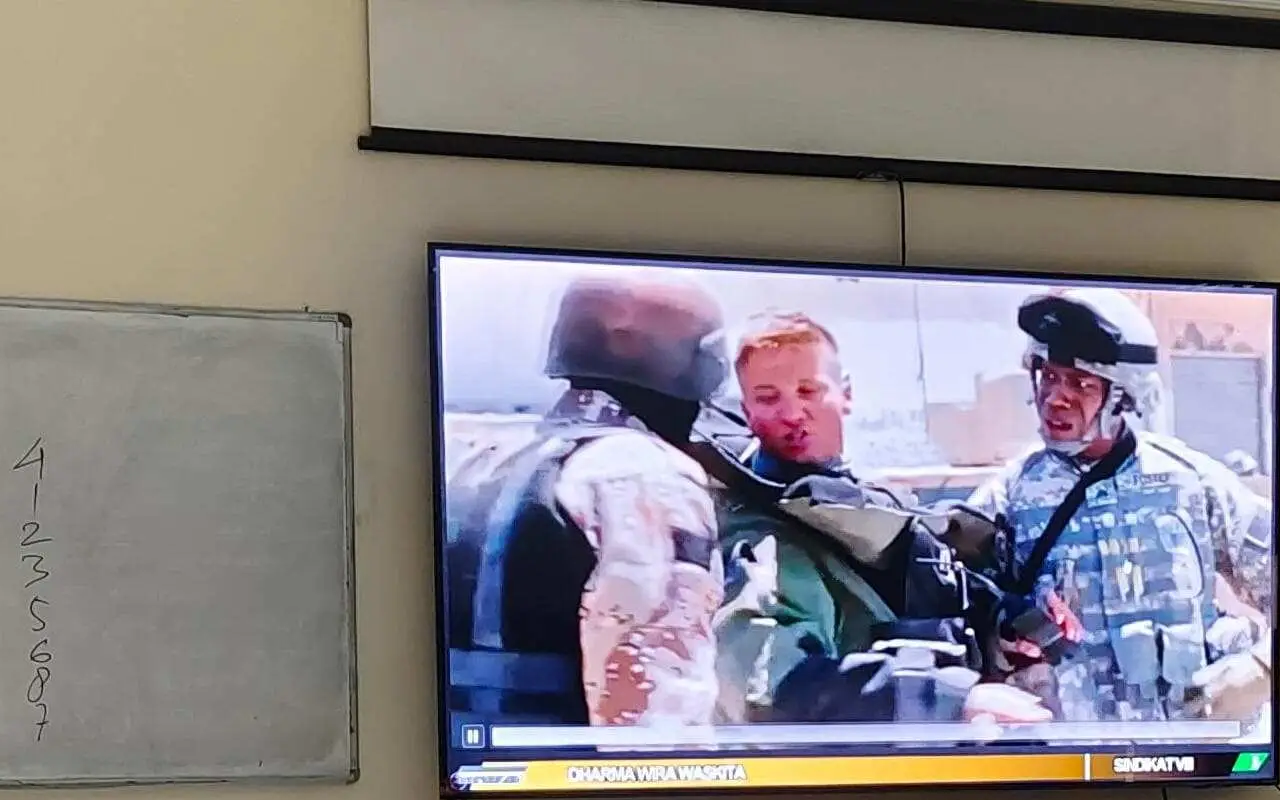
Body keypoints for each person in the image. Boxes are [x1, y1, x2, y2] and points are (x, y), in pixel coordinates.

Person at [711, 313, 1047, 726]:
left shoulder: (863, 504)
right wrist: (947, 699)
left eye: (808, 390)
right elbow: (768, 682)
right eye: (767, 398)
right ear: (746, 411)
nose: (792, 412)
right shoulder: (761, 536)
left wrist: (1003, 634)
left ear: (846, 393)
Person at [964, 294, 1275, 726]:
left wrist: (1261, 670)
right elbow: (955, 626)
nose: (1055, 398)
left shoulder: (1193, 484)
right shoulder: (1005, 499)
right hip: (1066, 760)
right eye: (1049, 376)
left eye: (1081, 384)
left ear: (1124, 396)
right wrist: (1003, 634)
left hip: (1194, 754)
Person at [440, 273, 728, 729]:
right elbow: (657, 710)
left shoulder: (478, 456)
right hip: (560, 769)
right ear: (701, 368)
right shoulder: (644, 472)